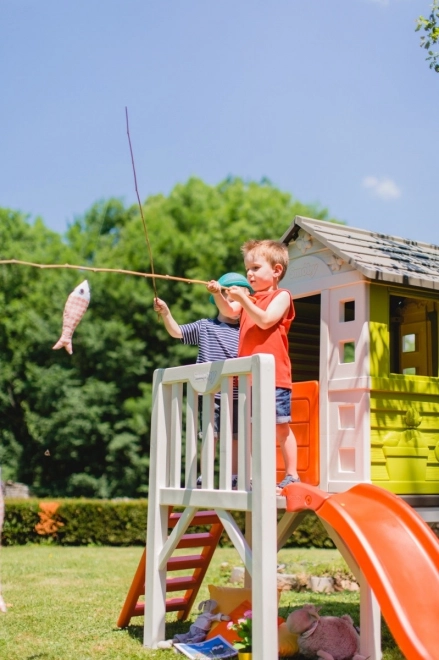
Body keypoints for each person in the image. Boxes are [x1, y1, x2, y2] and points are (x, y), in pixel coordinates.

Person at [207, 239, 299, 494]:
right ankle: (246, 476)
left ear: (276, 271)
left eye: (256, 268)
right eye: (248, 268)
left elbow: (267, 321)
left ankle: (291, 474)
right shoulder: (249, 298)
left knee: (280, 427)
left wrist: (245, 300)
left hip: (274, 378)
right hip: (248, 380)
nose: (249, 273)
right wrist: (218, 294)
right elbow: (229, 310)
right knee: (247, 429)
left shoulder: (282, 296)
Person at [153, 272, 253, 485]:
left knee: (237, 436)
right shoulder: (205, 326)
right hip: (212, 392)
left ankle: (235, 476)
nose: (236, 307)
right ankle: (205, 474)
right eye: (232, 300)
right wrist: (166, 313)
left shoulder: (247, 331)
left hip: (238, 393)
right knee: (210, 433)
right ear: (219, 300)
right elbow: (177, 332)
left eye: (242, 301)